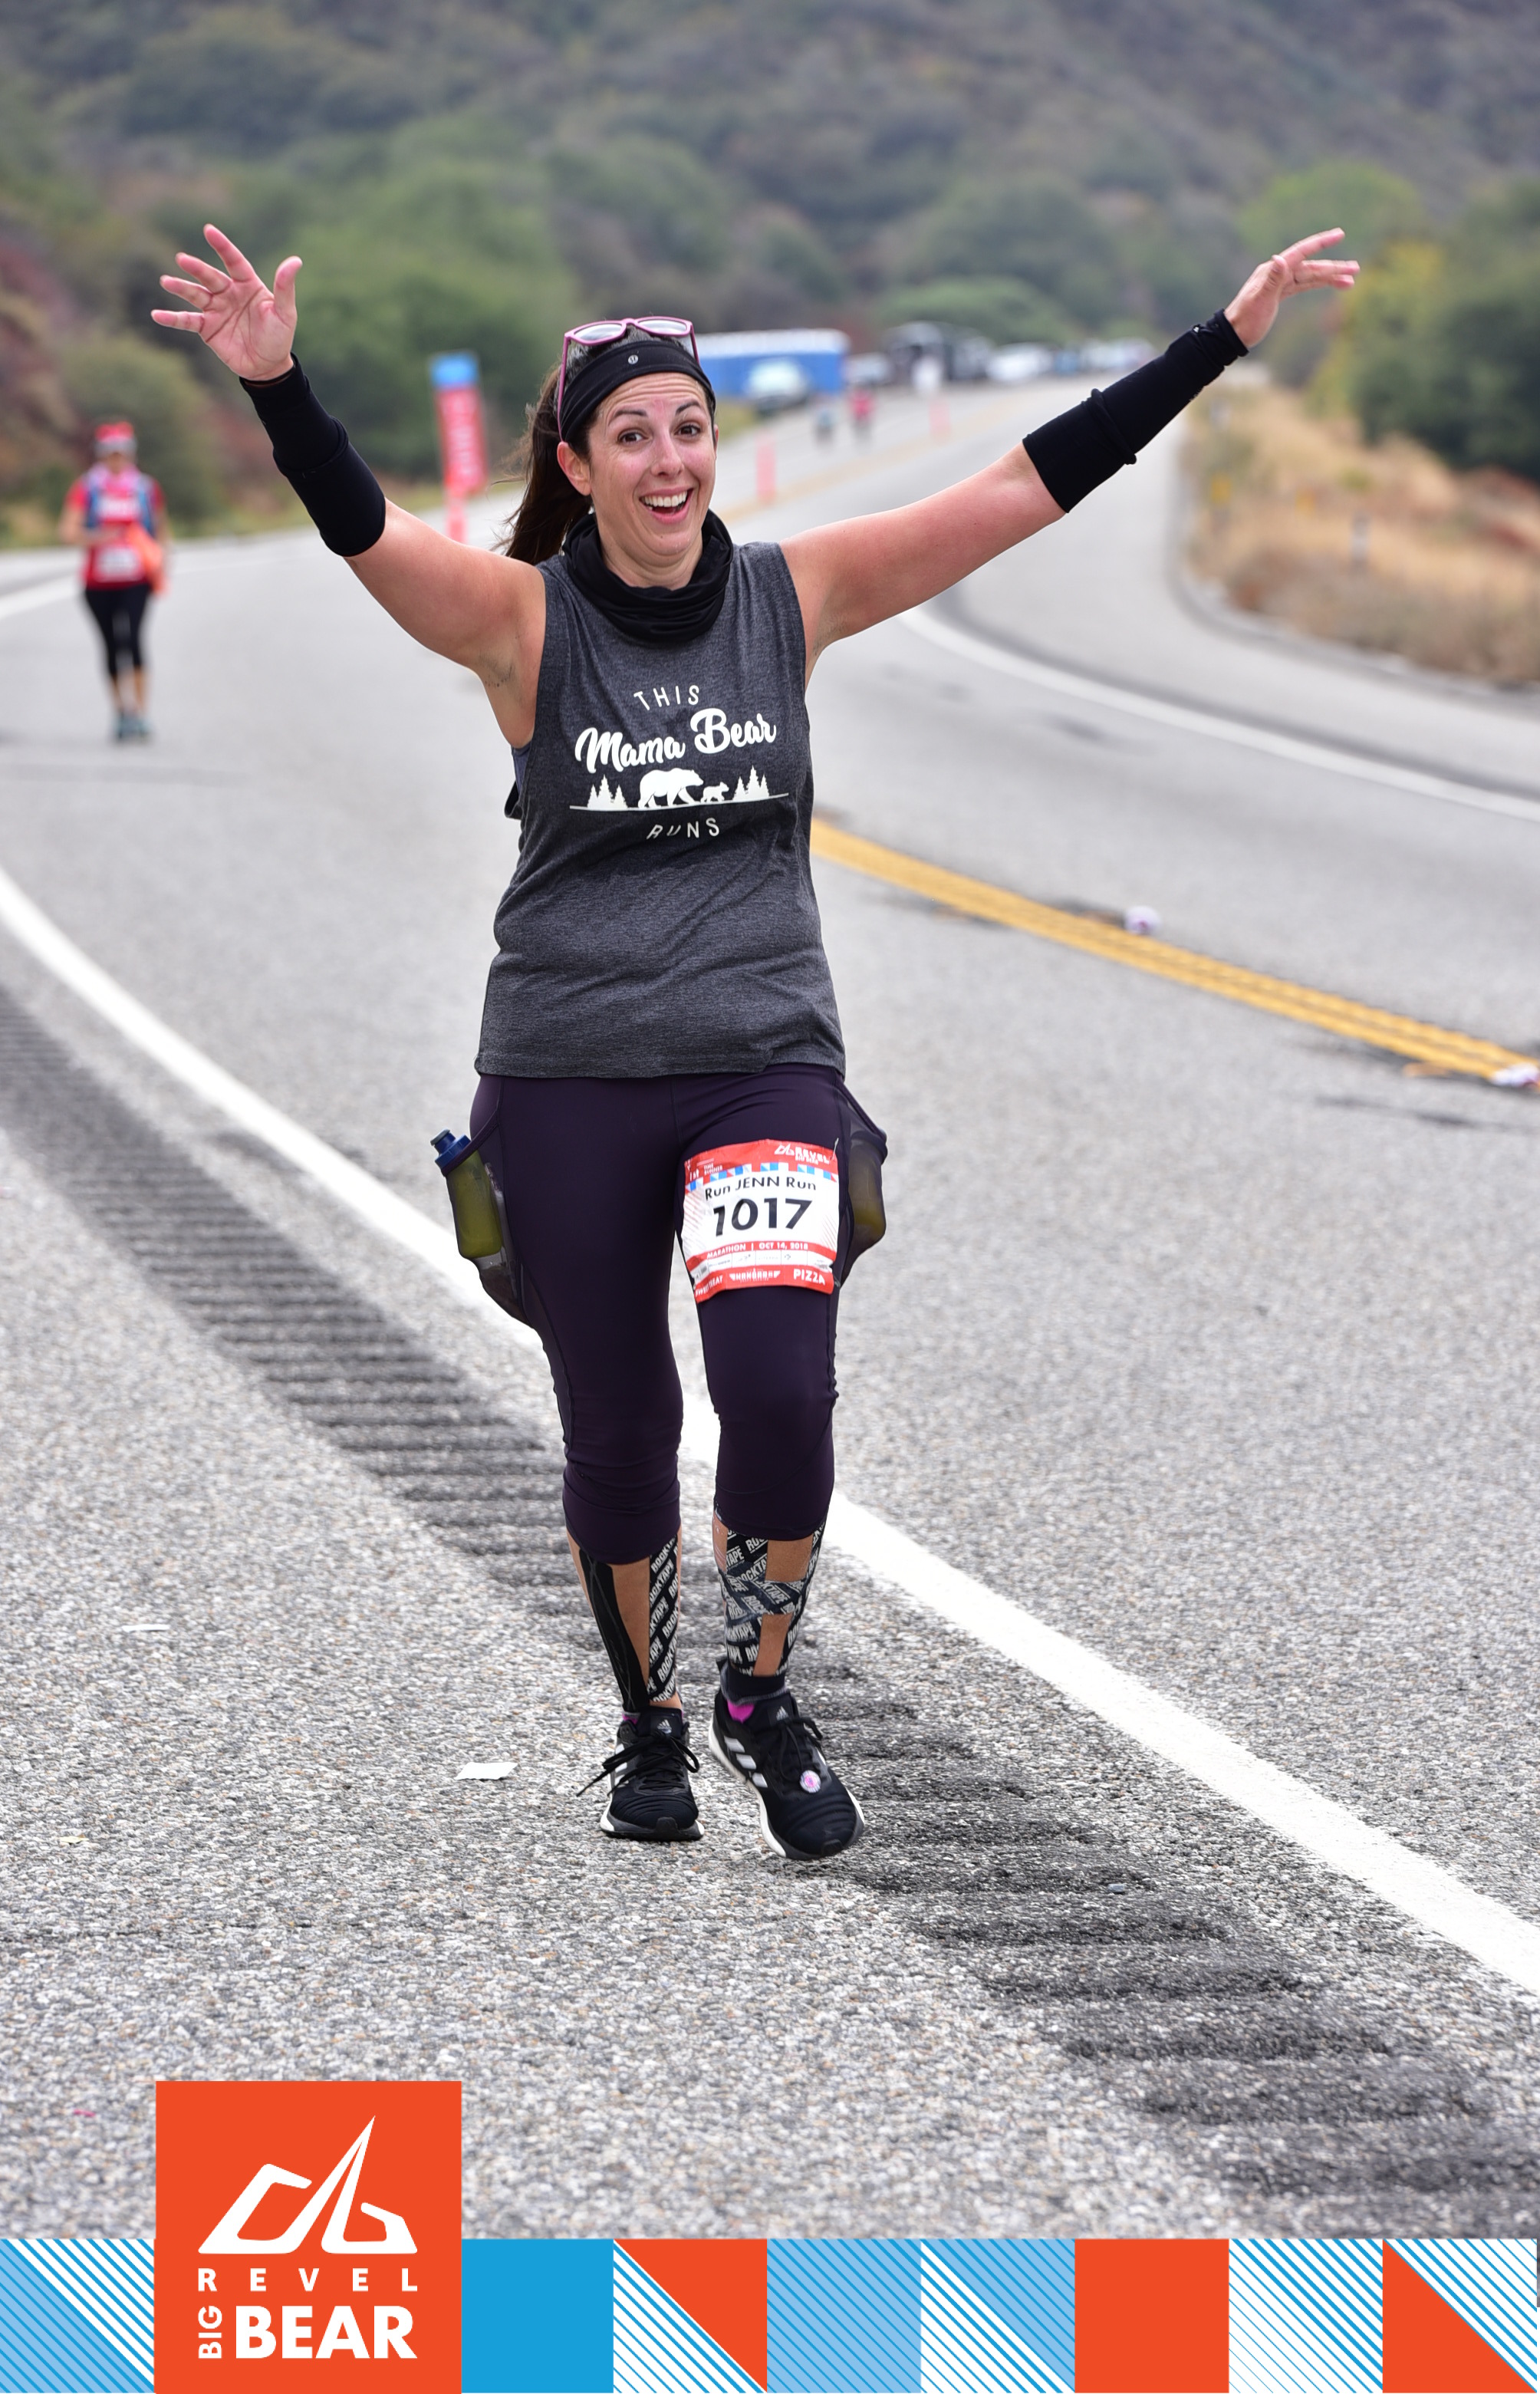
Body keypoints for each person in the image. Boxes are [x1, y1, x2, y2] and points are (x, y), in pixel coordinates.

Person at [153, 220, 1357, 1860]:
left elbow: (1021, 486)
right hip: (568, 1071)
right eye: (630, 434)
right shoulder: (520, 624)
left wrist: (1217, 339)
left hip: (761, 1059)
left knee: (779, 1393)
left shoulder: (794, 597)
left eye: (690, 427)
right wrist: (278, 388)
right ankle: (647, 1717)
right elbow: (363, 526)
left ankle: (756, 1693)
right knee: (621, 1432)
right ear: (576, 466)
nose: (668, 460)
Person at [59, 422, 165, 741]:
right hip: (98, 583)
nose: (117, 459)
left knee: (134, 640)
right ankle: (121, 712)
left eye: (122, 453)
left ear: (131, 454)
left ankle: (141, 714)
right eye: (111, 454)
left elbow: (160, 532)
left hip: (136, 580)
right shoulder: (88, 488)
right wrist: (100, 537)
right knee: (110, 645)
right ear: (101, 455)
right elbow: (68, 532)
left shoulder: (145, 488)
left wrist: (161, 566)